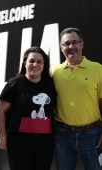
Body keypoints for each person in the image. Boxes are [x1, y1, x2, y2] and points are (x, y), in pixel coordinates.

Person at [0, 46, 56, 170]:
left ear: (44, 65)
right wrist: (2, 137)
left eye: (39, 62)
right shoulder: (15, 83)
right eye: (31, 61)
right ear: (24, 63)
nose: (35, 65)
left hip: (45, 143)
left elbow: (53, 109)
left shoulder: (50, 84)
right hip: (19, 143)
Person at [52, 27, 102, 170]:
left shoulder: (97, 69)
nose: (71, 47)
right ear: (61, 48)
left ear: (82, 44)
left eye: (75, 42)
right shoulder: (56, 72)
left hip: (92, 134)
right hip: (63, 135)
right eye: (66, 44)